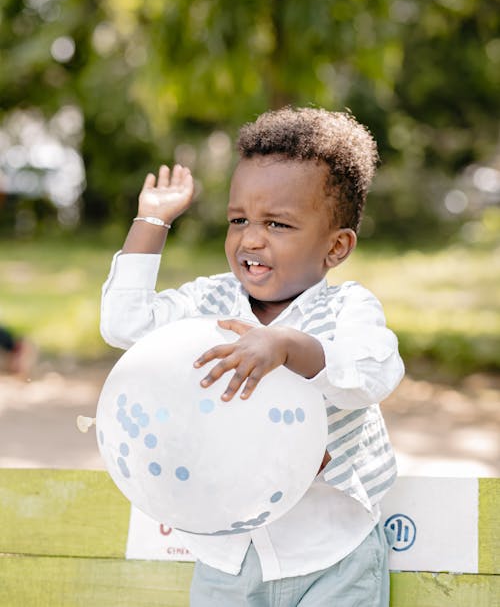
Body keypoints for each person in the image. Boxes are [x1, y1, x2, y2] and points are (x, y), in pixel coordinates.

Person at [100, 107, 404, 606]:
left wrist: (288, 347)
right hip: (228, 558)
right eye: (238, 219)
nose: (251, 238)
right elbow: (123, 325)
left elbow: (373, 374)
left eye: (278, 224)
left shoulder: (347, 308)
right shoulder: (209, 305)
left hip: (330, 551)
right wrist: (152, 221)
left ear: (336, 247)